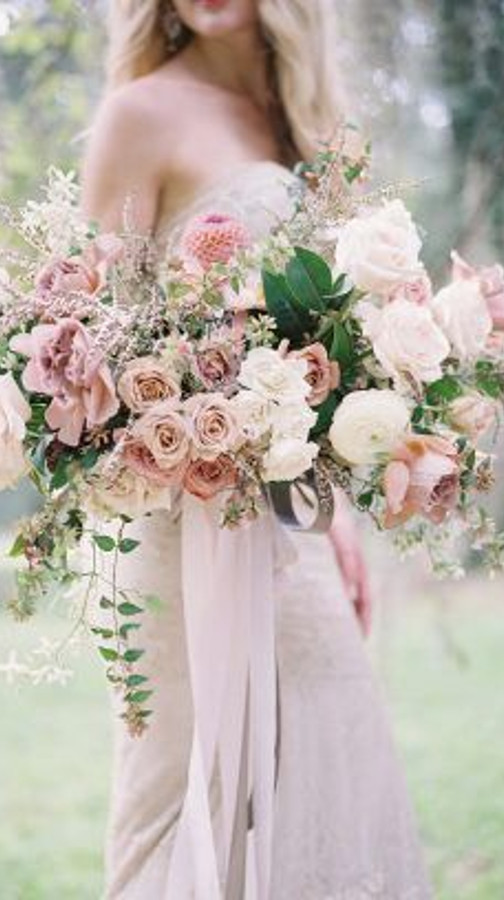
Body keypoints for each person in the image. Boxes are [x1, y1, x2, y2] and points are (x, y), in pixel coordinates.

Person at [81, 2, 433, 897]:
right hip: (179, 524)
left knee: (333, 748)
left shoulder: (306, 123)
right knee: (182, 788)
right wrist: (197, 409)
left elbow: (329, 361)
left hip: (291, 530)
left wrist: (336, 518)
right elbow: (86, 347)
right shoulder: (140, 114)